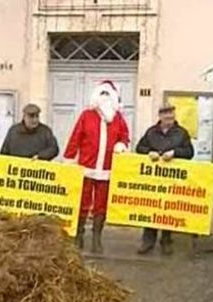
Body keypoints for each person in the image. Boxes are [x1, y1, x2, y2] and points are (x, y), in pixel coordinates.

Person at [64, 80, 130, 253]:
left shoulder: (118, 118)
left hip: (106, 169)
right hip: (87, 166)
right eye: (102, 94)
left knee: (101, 205)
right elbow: (75, 137)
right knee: (82, 202)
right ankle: (79, 235)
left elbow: (125, 135)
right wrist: (69, 158)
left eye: (108, 95)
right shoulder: (87, 115)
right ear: (96, 96)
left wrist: (121, 145)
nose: (105, 98)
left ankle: (97, 238)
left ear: (114, 98)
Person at [135, 103, 194, 256]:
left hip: (171, 179)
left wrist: (175, 153)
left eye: (172, 117)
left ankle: (166, 241)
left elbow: (189, 152)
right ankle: (148, 241)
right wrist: (149, 152)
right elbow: (139, 148)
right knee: (151, 209)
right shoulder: (151, 132)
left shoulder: (182, 133)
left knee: (168, 210)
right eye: (167, 117)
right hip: (154, 180)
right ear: (160, 117)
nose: (170, 120)